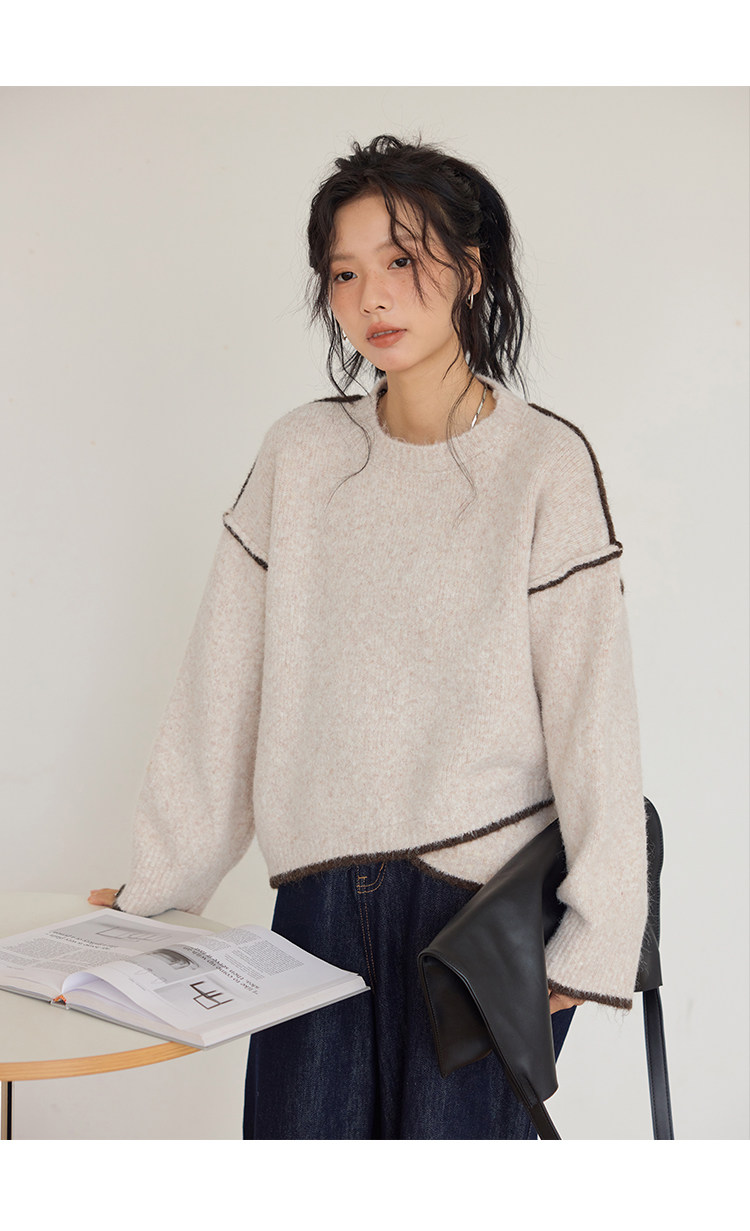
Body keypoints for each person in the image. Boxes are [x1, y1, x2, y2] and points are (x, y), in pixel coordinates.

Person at [89, 132, 649, 1139]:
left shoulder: (544, 464)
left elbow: (592, 716)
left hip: (477, 922)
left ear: (472, 270)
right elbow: (222, 687)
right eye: (344, 273)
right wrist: (155, 890)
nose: (371, 297)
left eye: (401, 260)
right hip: (312, 918)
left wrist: (595, 940)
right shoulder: (300, 455)